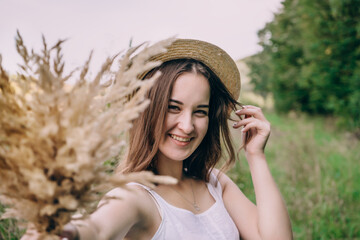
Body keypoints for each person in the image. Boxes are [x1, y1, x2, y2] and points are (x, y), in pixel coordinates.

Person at [22, 39, 292, 240]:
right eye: (173, 107)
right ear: (147, 109)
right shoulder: (133, 197)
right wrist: (67, 231)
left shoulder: (214, 182)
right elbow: (97, 228)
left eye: (200, 111)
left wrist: (256, 156)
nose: (187, 126)